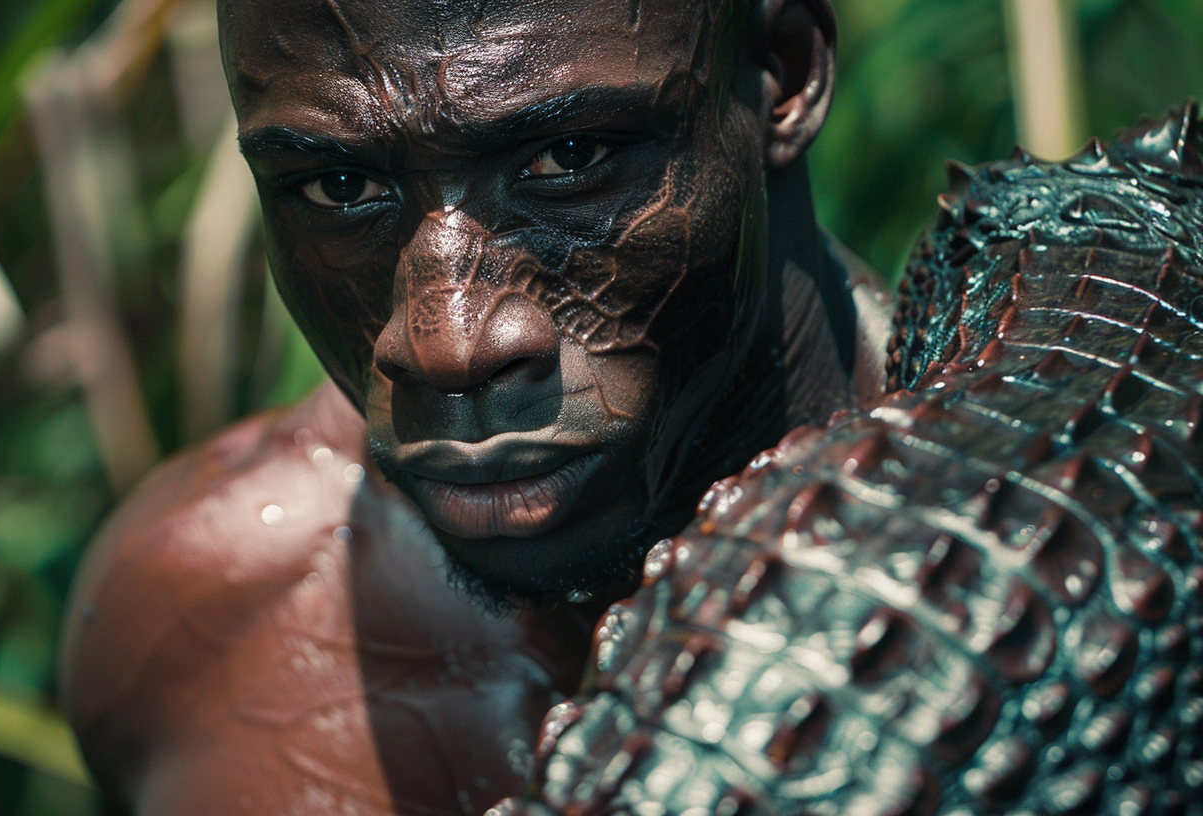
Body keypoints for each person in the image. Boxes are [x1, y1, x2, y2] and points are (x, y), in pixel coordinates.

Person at [58, 0, 894, 812]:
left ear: (783, 74)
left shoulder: (1010, 538)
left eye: (568, 158)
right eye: (340, 186)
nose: (449, 348)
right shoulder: (197, 620)